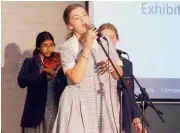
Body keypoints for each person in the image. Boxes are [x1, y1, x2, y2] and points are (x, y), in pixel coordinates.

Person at [52, 4, 123, 133]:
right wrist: (86, 48)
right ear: (70, 26)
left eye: (84, 15)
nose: (83, 19)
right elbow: (76, 77)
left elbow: (119, 76)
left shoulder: (104, 41)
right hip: (78, 102)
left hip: (104, 101)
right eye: (76, 18)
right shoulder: (68, 47)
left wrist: (113, 67)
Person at [98, 23, 147, 133]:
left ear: (117, 39)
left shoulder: (126, 63)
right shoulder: (95, 61)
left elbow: (130, 93)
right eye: (105, 38)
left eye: (111, 38)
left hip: (122, 116)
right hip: (100, 112)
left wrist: (136, 120)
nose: (108, 41)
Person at [17, 31, 67, 133]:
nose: (49, 48)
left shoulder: (58, 63)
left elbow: (64, 85)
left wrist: (57, 78)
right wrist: (41, 70)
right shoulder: (30, 62)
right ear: (38, 47)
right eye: (45, 45)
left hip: (53, 109)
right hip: (34, 111)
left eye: (51, 45)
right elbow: (21, 82)